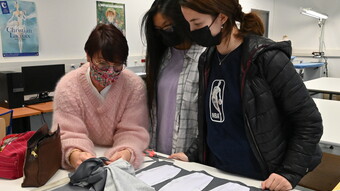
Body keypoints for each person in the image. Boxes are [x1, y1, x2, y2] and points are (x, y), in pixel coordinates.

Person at [170, 0, 323, 190]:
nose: (192, 31)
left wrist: (289, 173)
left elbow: (309, 122)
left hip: (260, 180)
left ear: (223, 17)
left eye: (198, 23)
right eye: (189, 24)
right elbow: (214, 120)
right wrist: (192, 154)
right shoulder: (207, 59)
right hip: (218, 174)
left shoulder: (266, 58)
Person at [51, 24, 150, 170]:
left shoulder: (134, 85)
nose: (110, 72)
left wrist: (126, 152)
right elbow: (68, 133)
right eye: (102, 64)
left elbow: (133, 131)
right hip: (85, 161)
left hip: (118, 161)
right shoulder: (68, 86)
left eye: (117, 65)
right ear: (88, 56)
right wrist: (75, 155)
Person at [141, 0, 204, 155]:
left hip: (191, 158)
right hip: (159, 153)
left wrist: (193, 154)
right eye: (158, 29)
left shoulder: (205, 57)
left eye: (168, 27)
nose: (164, 33)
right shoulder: (161, 60)